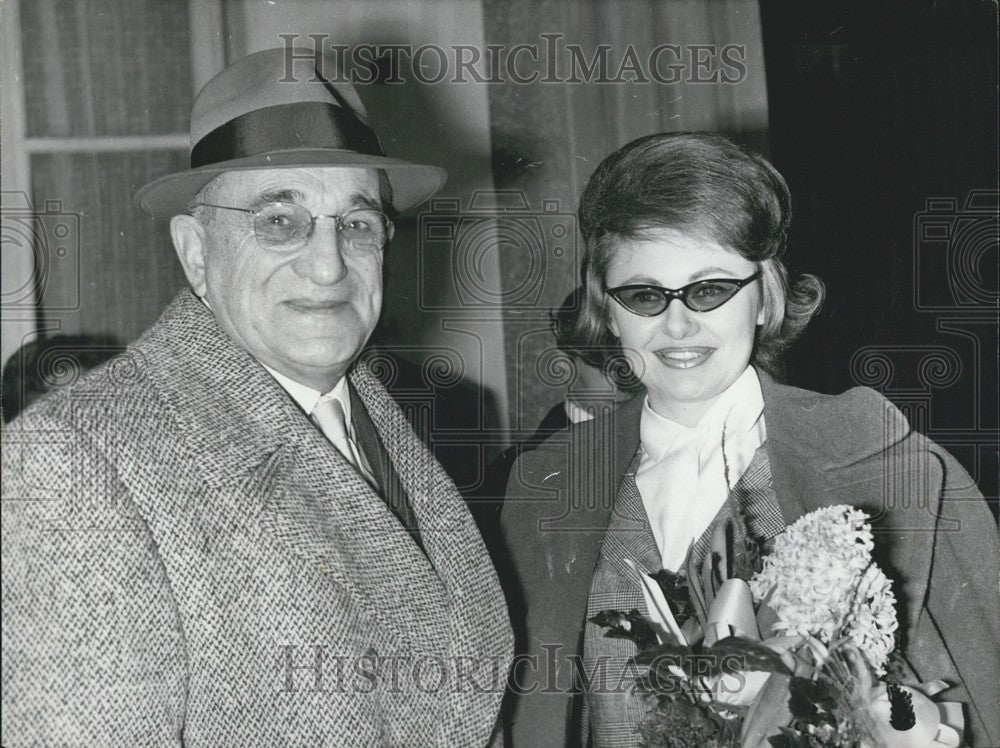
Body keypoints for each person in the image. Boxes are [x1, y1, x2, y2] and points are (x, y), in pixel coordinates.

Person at [1, 48, 512, 746]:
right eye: (279, 221)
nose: (329, 265)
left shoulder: (386, 419)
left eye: (357, 225)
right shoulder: (78, 457)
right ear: (197, 252)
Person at [499, 133, 999, 747]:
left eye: (709, 290)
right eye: (644, 295)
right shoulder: (542, 488)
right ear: (607, 309)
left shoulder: (896, 466)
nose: (678, 325)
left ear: (765, 297)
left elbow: (981, 704)